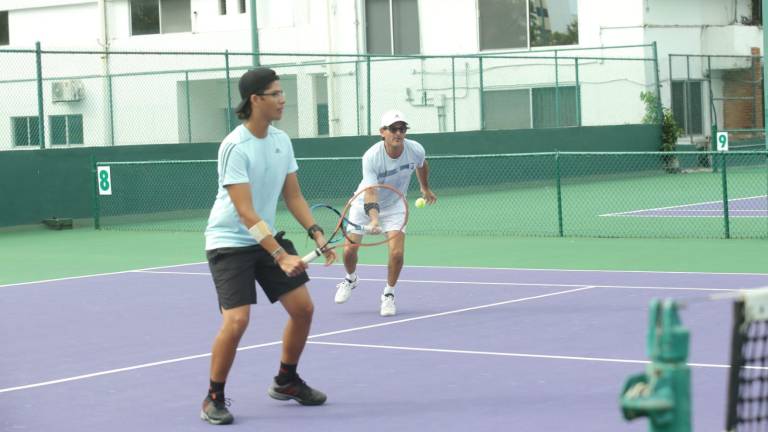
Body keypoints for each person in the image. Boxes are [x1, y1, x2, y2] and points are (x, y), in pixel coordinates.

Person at [200, 67, 335, 425]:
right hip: (229, 241)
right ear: (255, 100)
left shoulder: (281, 141)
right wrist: (280, 255)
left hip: (266, 237)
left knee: (303, 309)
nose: (282, 99)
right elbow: (245, 212)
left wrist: (316, 232)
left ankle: (286, 380)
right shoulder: (234, 146)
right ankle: (213, 397)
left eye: (281, 92)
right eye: (275, 94)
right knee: (237, 320)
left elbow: (294, 195)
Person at [334, 109, 436, 317]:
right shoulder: (371, 157)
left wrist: (425, 188)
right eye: (393, 129)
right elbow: (371, 191)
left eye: (402, 129)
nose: (398, 133)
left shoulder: (415, 149)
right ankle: (351, 278)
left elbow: (422, 164)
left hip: (396, 205)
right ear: (383, 132)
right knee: (349, 251)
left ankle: (388, 294)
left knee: (397, 253)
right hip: (364, 202)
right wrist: (374, 219)